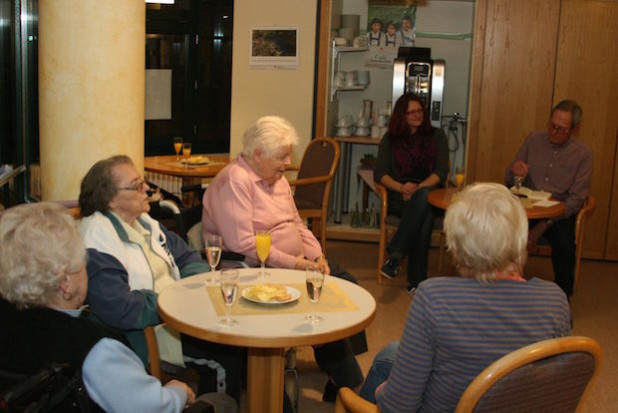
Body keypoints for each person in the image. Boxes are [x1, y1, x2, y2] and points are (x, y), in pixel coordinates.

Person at [0, 202, 237, 413]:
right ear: (65, 283)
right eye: (84, 263)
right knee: (222, 402)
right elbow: (152, 407)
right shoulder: (96, 349)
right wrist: (177, 392)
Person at [358, 183, 571, 412]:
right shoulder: (554, 300)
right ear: (520, 237)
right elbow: (557, 389)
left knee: (383, 367)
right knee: (392, 352)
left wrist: (380, 392)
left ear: (456, 245)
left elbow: (398, 407)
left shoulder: (433, 298)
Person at [202, 116, 365, 401]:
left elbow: (298, 224)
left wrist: (318, 256)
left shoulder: (274, 179)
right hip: (255, 268)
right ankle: (349, 384)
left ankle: (340, 377)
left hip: (293, 263)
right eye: (282, 156)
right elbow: (244, 243)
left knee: (343, 281)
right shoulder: (235, 180)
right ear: (257, 154)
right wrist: (299, 265)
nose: (288, 163)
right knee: (324, 295)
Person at [78, 155, 244, 401]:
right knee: (230, 360)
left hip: (180, 314)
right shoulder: (97, 240)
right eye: (136, 186)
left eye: (142, 181)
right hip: (149, 335)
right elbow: (121, 308)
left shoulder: (144, 223)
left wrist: (185, 294)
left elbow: (189, 259)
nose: (147, 189)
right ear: (110, 200)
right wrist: (174, 301)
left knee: (244, 341)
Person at [505, 99, 593, 298]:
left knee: (564, 242)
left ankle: (562, 299)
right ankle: (501, 290)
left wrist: (543, 225)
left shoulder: (583, 154)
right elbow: (509, 179)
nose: (554, 131)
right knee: (498, 230)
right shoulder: (533, 140)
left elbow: (577, 199)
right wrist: (516, 173)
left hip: (558, 213)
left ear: (574, 129)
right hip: (527, 207)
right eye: (552, 125)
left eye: (561, 129)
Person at [374, 93, 449, 294]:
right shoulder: (390, 139)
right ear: (402, 116)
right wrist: (400, 187)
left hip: (430, 193)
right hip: (400, 196)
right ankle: (417, 283)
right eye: (411, 112)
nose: (417, 115)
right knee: (424, 218)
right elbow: (380, 173)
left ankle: (395, 256)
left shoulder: (437, 136)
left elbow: (441, 172)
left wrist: (419, 189)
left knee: (424, 200)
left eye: (419, 111)